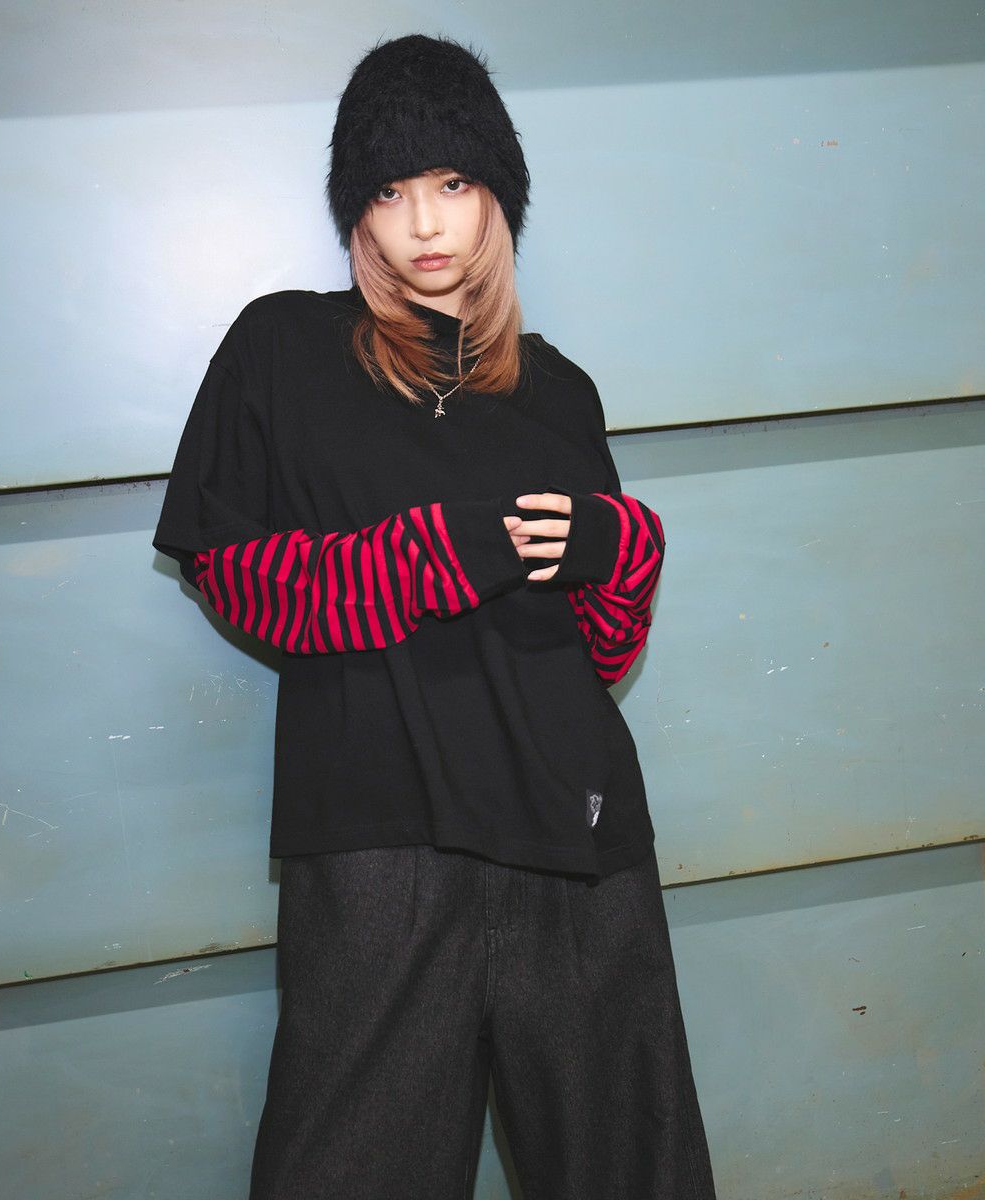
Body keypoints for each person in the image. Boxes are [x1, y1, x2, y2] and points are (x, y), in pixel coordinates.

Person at [152, 32, 717, 1200]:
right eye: (388, 190)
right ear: (355, 212)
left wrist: (623, 552)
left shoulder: (558, 389)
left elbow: (605, 652)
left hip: (577, 835)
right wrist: (431, 557)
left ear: (497, 195)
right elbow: (233, 572)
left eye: (453, 183)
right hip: (381, 836)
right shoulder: (283, 348)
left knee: (626, 1168)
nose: (423, 222)